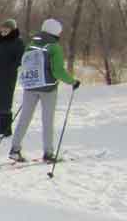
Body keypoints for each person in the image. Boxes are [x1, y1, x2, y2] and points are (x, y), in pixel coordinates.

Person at [9, 18, 81, 163]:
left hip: (30, 86)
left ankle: (15, 149)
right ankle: (48, 153)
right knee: (47, 120)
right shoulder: (54, 47)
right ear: (56, 32)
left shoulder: (32, 44)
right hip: (48, 88)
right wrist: (73, 81)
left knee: (24, 118)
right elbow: (58, 71)